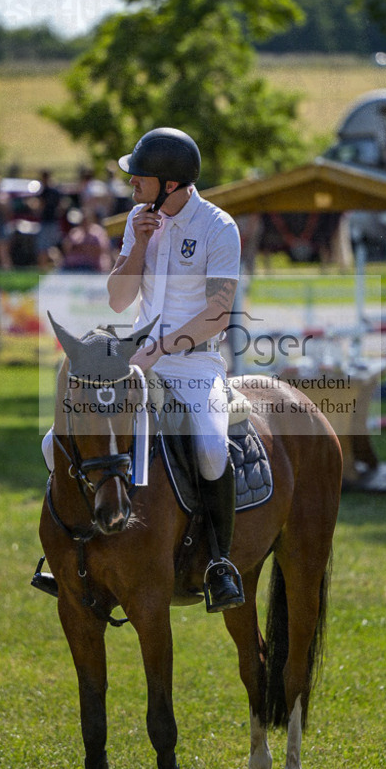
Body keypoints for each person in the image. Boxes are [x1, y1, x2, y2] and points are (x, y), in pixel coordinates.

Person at [107, 127, 244, 612]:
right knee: (59, 437)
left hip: (196, 364)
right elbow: (120, 299)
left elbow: (218, 314)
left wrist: (160, 349)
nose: (131, 187)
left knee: (209, 447)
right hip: (139, 360)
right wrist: (139, 246)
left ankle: (219, 564)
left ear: (169, 183)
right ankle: (73, 549)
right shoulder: (139, 220)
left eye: (138, 179)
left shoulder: (219, 227)